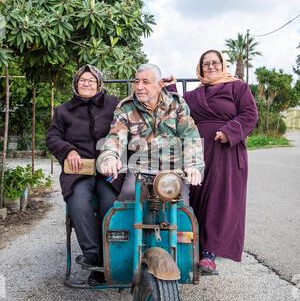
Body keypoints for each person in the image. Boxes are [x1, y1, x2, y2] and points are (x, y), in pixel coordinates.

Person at [167, 50, 258, 275]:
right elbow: (179, 109)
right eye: (205, 64)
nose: (210, 67)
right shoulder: (194, 94)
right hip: (197, 150)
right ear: (200, 68)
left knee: (220, 200)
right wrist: (170, 87)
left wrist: (230, 131)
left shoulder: (237, 87)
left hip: (226, 150)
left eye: (215, 63)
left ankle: (210, 253)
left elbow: (250, 114)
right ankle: (193, 246)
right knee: (194, 196)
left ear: (222, 65)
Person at [46, 65, 124, 286]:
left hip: (107, 170)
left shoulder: (113, 104)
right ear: (76, 84)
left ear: (99, 84)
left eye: (91, 80)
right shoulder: (64, 110)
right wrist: (68, 150)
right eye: (82, 80)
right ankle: (94, 257)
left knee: (111, 203)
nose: (86, 83)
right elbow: (52, 137)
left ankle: (113, 255)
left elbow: (127, 126)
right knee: (79, 203)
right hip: (79, 171)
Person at [97, 63, 204, 200]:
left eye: (145, 82)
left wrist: (193, 164)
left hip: (173, 169)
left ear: (160, 85)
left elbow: (190, 135)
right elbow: (116, 137)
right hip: (139, 168)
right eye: (137, 81)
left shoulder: (177, 104)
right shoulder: (126, 107)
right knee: (128, 197)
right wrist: (110, 157)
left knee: (180, 207)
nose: (139, 87)